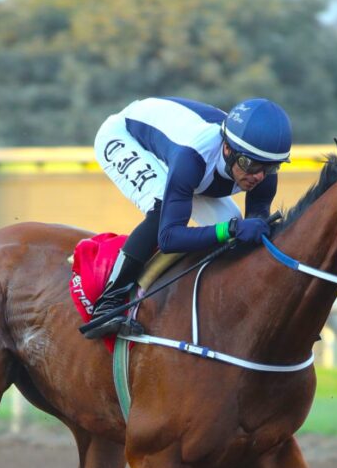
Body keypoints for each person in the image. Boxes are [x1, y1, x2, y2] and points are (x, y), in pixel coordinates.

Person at [82, 96, 292, 339]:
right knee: (162, 210)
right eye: (249, 164)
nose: (258, 176)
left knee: (238, 236)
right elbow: (170, 237)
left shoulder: (262, 167)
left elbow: (254, 235)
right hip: (126, 136)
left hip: (191, 168)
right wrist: (231, 230)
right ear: (227, 148)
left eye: (270, 167)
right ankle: (107, 304)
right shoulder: (193, 157)